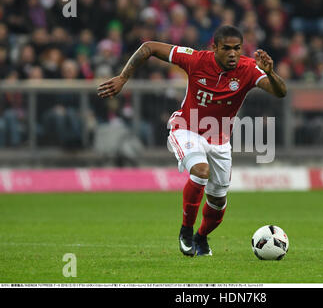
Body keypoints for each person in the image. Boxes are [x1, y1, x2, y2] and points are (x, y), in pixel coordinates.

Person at [97, 25, 286, 256]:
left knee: (218, 204)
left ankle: (201, 237)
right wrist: (123, 77)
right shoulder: (195, 60)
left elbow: (280, 92)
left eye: (237, 48)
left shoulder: (248, 68)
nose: (233, 54)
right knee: (200, 170)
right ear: (214, 47)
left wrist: (271, 73)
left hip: (220, 140)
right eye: (226, 48)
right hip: (186, 128)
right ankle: (186, 231)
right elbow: (148, 47)